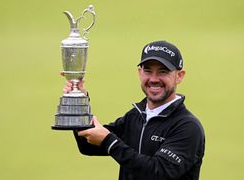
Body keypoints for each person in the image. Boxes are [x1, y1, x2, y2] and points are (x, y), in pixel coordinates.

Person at [64, 40, 205, 180]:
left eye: (163, 71)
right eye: (148, 71)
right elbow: (88, 145)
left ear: (179, 76)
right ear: (140, 73)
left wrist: (109, 141)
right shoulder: (136, 116)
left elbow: (159, 172)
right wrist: (78, 102)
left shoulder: (187, 127)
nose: (154, 79)